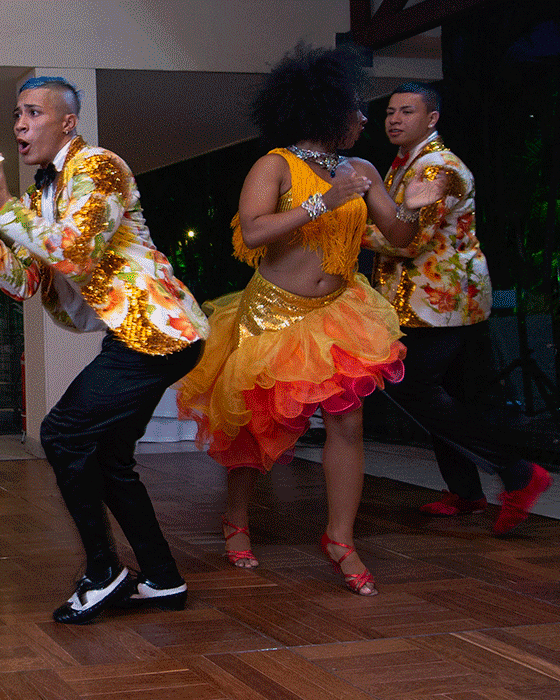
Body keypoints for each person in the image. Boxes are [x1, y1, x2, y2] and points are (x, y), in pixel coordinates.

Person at [0, 77, 207, 624]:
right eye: (16, 114)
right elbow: (27, 283)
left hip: (159, 329)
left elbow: (77, 253)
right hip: (135, 335)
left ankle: (104, 572)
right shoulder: (42, 195)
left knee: (61, 433)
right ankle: (163, 579)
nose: (19, 124)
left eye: (32, 112)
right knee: (108, 458)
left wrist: (5, 205)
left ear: (68, 122)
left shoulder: (99, 166)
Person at [177, 44, 441, 596]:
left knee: (348, 423)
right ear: (322, 111)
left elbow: (398, 238)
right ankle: (236, 518)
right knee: (255, 427)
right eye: (355, 109)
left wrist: (413, 204)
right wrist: (326, 200)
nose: (365, 119)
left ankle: (340, 538)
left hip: (338, 313)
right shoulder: (273, 164)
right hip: (271, 314)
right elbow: (253, 232)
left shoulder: (363, 169)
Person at [366, 82, 551, 534]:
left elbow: (406, 242)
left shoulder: (437, 169)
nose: (394, 119)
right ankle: (466, 492)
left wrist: (342, 231)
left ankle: (520, 475)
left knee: (414, 391)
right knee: (440, 395)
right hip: (421, 303)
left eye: (407, 112)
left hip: (438, 305)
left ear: (431, 119)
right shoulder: (407, 163)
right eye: (390, 111)